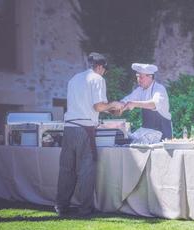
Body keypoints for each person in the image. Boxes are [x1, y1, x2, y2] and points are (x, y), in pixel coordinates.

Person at [55, 52, 124, 217]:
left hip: (69, 127)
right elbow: (98, 106)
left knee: (66, 169)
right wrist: (114, 104)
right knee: (86, 169)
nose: (104, 73)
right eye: (104, 70)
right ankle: (85, 209)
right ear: (100, 67)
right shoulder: (97, 79)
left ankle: (61, 206)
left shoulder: (74, 79)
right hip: (84, 129)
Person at [121, 63, 172, 139]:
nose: (139, 80)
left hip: (163, 134)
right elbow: (127, 100)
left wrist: (134, 104)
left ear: (150, 77)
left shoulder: (159, 89)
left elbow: (154, 104)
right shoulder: (139, 90)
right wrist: (118, 106)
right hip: (147, 133)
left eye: (141, 77)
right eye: (137, 77)